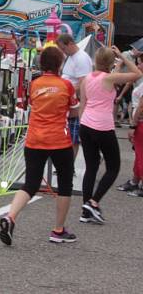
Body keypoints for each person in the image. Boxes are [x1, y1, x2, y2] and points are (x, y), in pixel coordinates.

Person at [0, 46, 79, 245]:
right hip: (59, 140)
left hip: (35, 139)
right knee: (65, 184)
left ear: (42, 64)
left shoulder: (34, 84)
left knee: (31, 183)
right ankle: (58, 230)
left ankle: (10, 216)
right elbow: (75, 111)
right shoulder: (66, 85)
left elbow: (30, 105)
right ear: (60, 64)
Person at [78, 46, 142, 224]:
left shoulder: (86, 79)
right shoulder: (110, 78)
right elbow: (137, 73)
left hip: (86, 124)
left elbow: (83, 104)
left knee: (91, 167)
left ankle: (86, 210)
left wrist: (83, 126)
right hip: (103, 126)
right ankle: (93, 202)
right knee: (113, 167)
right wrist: (122, 55)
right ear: (110, 62)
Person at [56, 33, 93, 158]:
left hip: (74, 103)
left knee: (72, 136)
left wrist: (68, 93)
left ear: (71, 44)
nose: (63, 51)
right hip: (67, 100)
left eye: (64, 48)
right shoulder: (71, 57)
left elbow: (84, 82)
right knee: (66, 134)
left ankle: (69, 165)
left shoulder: (81, 58)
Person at [118, 54, 143, 194]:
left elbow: (141, 107)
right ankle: (135, 180)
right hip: (138, 121)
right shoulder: (140, 81)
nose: (138, 66)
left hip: (140, 123)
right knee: (138, 153)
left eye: (139, 63)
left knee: (141, 154)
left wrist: (133, 125)